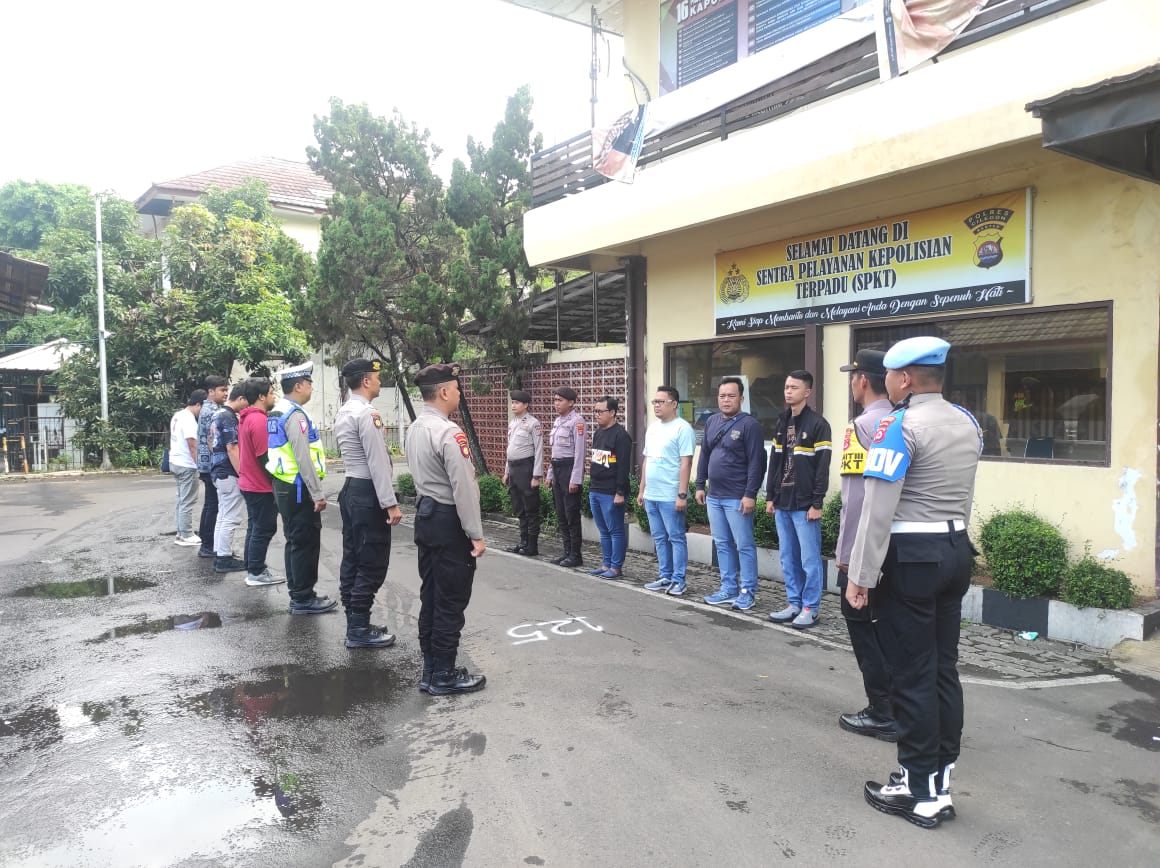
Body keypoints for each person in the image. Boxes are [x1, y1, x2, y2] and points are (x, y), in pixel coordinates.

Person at [847, 336, 982, 829]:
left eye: (889, 373)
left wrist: (860, 576)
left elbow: (877, 509)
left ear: (904, 378)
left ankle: (919, 791)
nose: (885, 381)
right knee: (943, 669)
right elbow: (965, 494)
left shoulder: (897, 425)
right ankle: (937, 780)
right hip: (955, 548)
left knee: (912, 672)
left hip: (910, 558)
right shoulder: (966, 422)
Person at [405, 363, 487, 696]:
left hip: (426, 516)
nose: (459, 394)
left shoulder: (415, 427)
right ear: (443, 392)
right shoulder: (449, 432)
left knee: (432, 595)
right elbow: (463, 487)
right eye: (456, 389)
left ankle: (431, 669)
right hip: (448, 520)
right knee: (451, 599)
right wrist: (475, 534)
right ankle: (443, 674)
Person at [834, 350, 896, 742]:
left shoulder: (861, 426)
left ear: (861, 381)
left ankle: (882, 710)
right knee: (890, 629)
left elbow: (856, 499)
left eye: (852, 378)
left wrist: (847, 557)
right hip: (897, 547)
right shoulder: (900, 420)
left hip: (864, 549)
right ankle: (900, 704)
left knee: (862, 625)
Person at [334, 358, 403, 650]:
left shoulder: (345, 410)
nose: (379, 381)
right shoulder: (367, 413)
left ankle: (355, 621)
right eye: (376, 377)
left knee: (353, 558)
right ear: (365, 380)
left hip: (352, 489)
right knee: (372, 562)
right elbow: (377, 462)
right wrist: (390, 503)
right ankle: (359, 629)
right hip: (367, 492)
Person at [765, 370, 831, 629]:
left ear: (807, 392)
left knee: (809, 560)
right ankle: (794, 603)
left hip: (804, 504)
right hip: (783, 501)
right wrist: (770, 496)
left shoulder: (818, 424)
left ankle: (810, 608)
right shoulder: (782, 422)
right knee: (788, 557)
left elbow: (822, 468)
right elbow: (775, 461)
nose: (788, 391)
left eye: (794, 387)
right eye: (786, 387)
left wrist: (817, 503)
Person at [267, 361, 334, 615]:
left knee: (294, 541)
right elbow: (303, 456)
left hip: (284, 484)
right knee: (305, 542)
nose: (312, 387)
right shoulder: (295, 415)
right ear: (298, 385)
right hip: (298, 487)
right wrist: (317, 493)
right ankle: (303, 598)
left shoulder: (277, 411)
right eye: (309, 383)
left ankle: (299, 593)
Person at [696, 377, 767, 610]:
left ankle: (748, 591)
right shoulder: (712, 421)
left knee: (744, 545)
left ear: (741, 398)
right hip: (714, 496)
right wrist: (699, 485)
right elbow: (704, 454)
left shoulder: (750, 425)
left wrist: (750, 494)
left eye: (731, 396)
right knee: (722, 544)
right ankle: (728, 588)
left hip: (737, 497)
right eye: (722, 396)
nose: (726, 400)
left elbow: (757, 462)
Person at [638, 386, 695, 596]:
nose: (656, 405)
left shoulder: (683, 428)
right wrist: (642, 490)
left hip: (670, 495)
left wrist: (682, 494)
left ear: (674, 404)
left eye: (661, 401)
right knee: (659, 537)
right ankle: (665, 576)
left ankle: (679, 580)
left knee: (676, 537)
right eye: (655, 402)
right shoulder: (652, 428)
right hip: (652, 494)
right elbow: (647, 460)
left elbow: (686, 463)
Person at [237, 377, 284, 587]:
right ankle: (256, 571)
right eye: (271, 393)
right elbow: (265, 456)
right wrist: (277, 480)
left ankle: (252, 566)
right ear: (261, 396)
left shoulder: (247, 417)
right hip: (259, 485)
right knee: (264, 528)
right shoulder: (258, 420)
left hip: (250, 482)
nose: (274, 396)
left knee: (255, 526)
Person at [587, 396, 633, 578]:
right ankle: (606, 564)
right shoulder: (598, 433)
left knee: (615, 530)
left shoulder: (621, 435)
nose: (597, 415)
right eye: (595, 411)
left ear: (612, 412)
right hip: (596, 489)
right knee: (603, 530)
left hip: (611, 491)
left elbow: (623, 466)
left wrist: (620, 492)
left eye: (601, 411)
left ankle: (616, 567)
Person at [209, 384, 250, 574]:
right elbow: (232, 448)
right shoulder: (228, 417)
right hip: (228, 471)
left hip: (218, 470)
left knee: (223, 514)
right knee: (231, 517)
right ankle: (224, 558)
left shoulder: (217, 414)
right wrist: (243, 473)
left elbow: (210, 442)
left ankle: (219, 553)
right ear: (241, 399)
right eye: (247, 402)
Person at [546, 386, 587, 567]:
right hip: (557, 469)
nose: (556, 403)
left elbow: (580, 453)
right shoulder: (557, 421)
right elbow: (554, 452)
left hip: (569, 469)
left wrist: (575, 479)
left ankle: (576, 555)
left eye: (560, 400)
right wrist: (550, 474)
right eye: (555, 400)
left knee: (571, 514)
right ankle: (566, 551)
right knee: (561, 514)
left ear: (571, 402)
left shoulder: (577, 422)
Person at [503, 389, 543, 557]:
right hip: (514, 468)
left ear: (526, 405)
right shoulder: (513, 423)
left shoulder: (533, 423)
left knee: (530, 508)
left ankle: (532, 545)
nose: (513, 405)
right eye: (513, 402)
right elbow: (510, 449)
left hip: (526, 467)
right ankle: (523, 542)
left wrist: (536, 475)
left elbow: (539, 450)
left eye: (517, 403)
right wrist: (506, 471)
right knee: (519, 507)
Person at [196, 375, 229, 558]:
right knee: (212, 505)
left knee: (211, 504)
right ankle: (207, 544)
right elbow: (212, 440)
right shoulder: (211, 411)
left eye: (226, 389)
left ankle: (208, 543)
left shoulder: (209, 408)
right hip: (211, 463)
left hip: (206, 463)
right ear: (211, 391)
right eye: (222, 390)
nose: (226, 393)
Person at [170, 390, 206, 546]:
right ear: (198, 404)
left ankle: (180, 532)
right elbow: (192, 444)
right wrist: (199, 466)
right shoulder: (189, 419)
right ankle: (186, 534)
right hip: (186, 464)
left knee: (181, 499)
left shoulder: (178, 415)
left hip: (175, 461)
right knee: (187, 500)